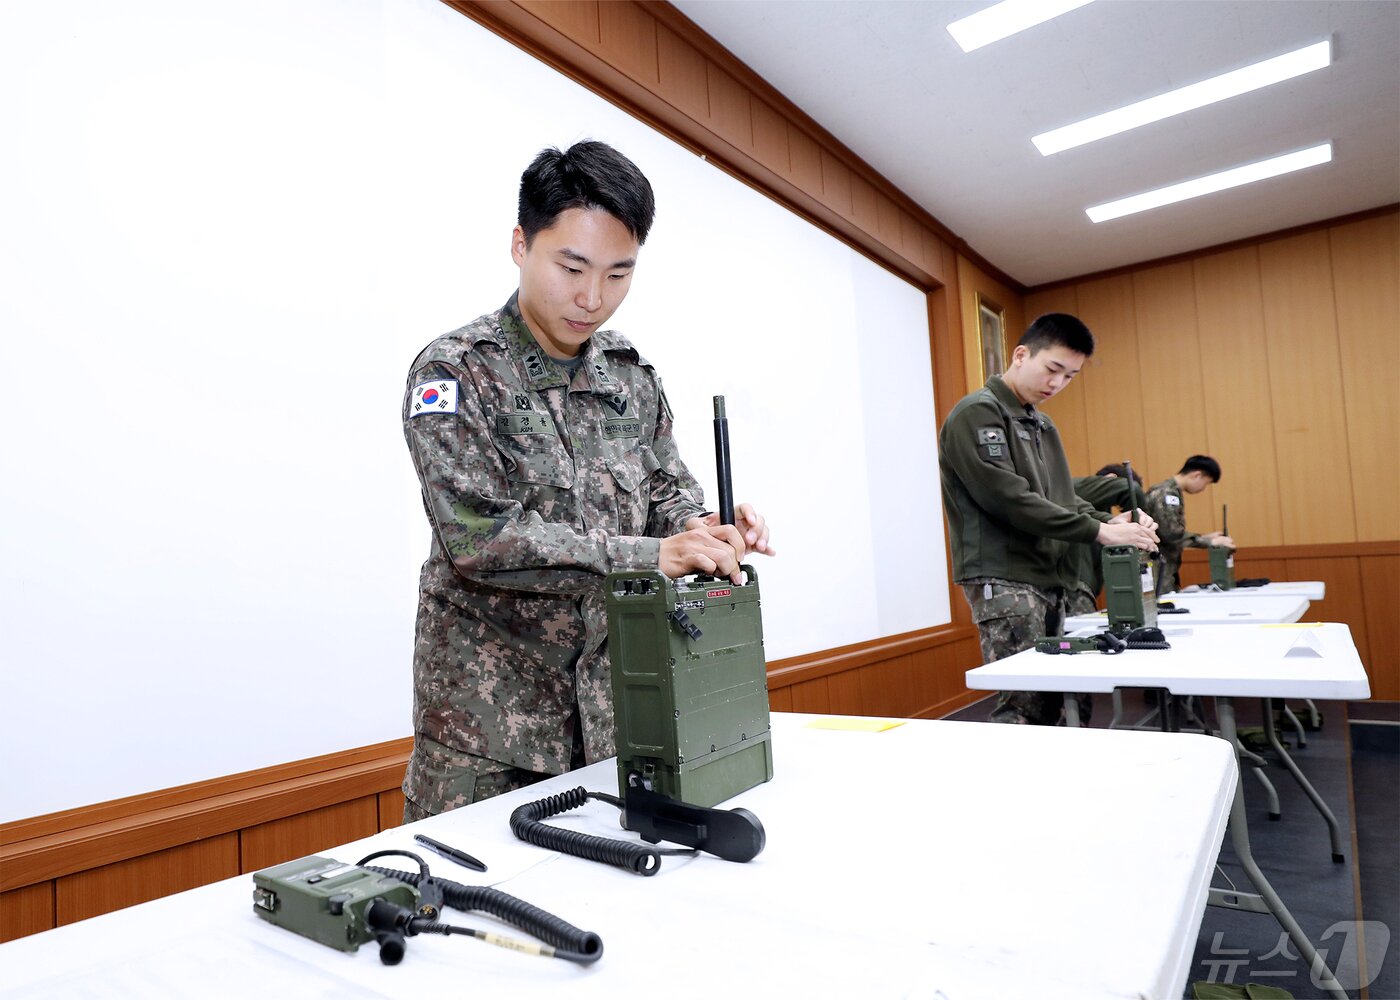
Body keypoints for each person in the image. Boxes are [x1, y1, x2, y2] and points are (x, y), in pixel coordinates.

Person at [400, 141, 772, 820]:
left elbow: (666, 490)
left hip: (615, 715)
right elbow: (481, 541)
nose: (591, 297)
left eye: (618, 274)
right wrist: (654, 555)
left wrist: (701, 528)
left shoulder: (630, 375)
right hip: (488, 737)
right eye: (571, 266)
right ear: (521, 244)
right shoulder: (456, 372)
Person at [940, 314, 1158, 726]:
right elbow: (1008, 498)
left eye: (1070, 377)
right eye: (1053, 369)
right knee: (1027, 704)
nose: (1056, 384)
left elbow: (1062, 499)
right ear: (1021, 354)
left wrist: (1113, 521)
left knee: (1072, 698)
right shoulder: (978, 413)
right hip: (1005, 574)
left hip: (1052, 574)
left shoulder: (1042, 423)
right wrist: (1100, 530)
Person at [1065, 463, 1149, 616]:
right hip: (1073, 589)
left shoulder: (1092, 504)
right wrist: (1140, 526)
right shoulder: (1081, 487)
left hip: (1079, 588)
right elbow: (1129, 488)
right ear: (1111, 479)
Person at [1143, 455, 1234, 596]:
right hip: (1156, 571)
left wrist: (1203, 537)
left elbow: (1167, 531)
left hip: (1163, 569)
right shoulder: (1166, 493)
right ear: (1197, 475)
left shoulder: (1170, 492)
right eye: (1206, 483)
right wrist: (1210, 542)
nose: (1204, 489)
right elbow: (1171, 535)